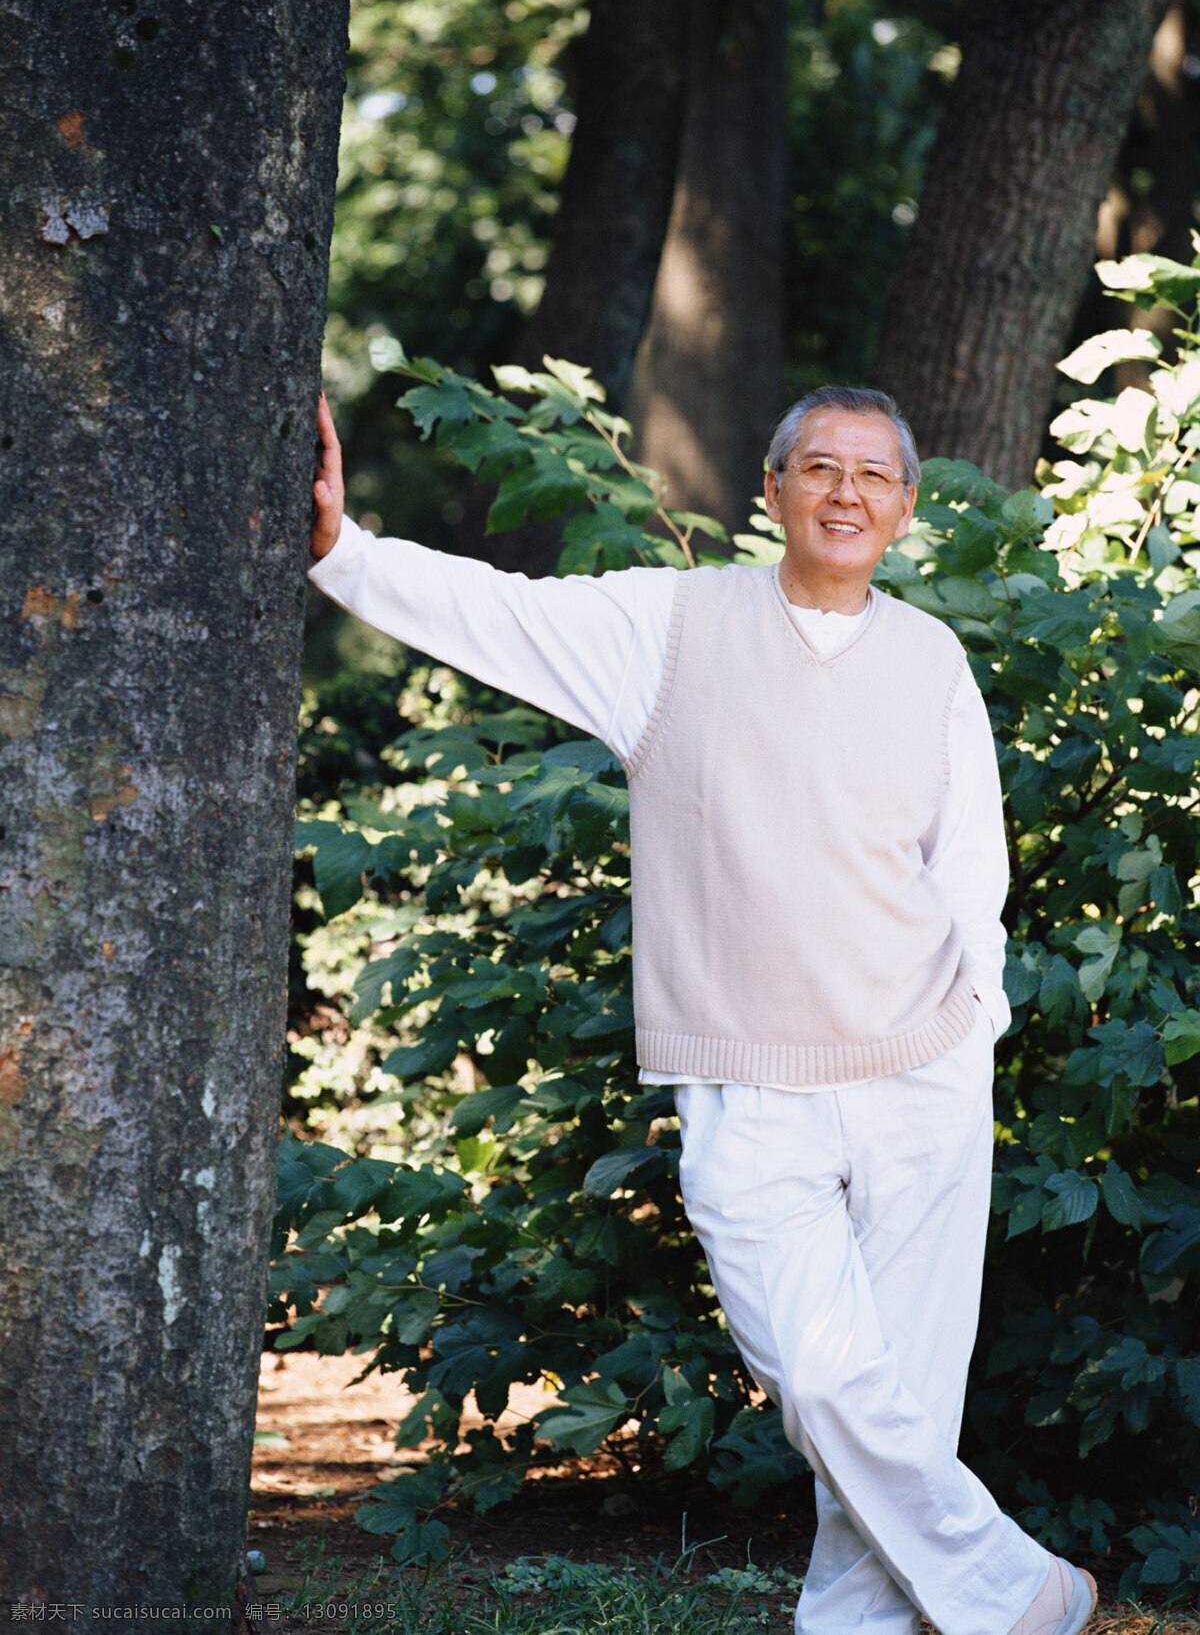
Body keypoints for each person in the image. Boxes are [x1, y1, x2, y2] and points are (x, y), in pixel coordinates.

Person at [308, 387, 1098, 1635]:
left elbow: (971, 869)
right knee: (828, 1384)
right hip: (748, 1081)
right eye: (820, 468)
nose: (847, 493)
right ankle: (1020, 1592)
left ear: (903, 509)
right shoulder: (669, 626)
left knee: (902, 1399)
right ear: (771, 490)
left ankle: (855, 1625)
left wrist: (978, 1020)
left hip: (921, 1069)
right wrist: (344, 555)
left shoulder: (932, 658)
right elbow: (503, 614)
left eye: (875, 477)